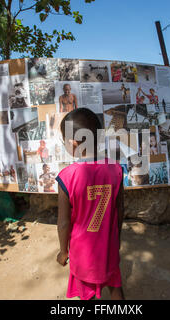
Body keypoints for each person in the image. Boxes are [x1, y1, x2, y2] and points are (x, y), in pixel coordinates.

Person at [55, 108, 125, 300]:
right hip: (109, 248)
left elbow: (63, 223)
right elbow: (120, 211)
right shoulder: (116, 169)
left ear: (73, 143)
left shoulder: (66, 177)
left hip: (83, 254)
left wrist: (63, 251)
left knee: (88, 295)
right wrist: (116, 240)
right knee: (115, 287)